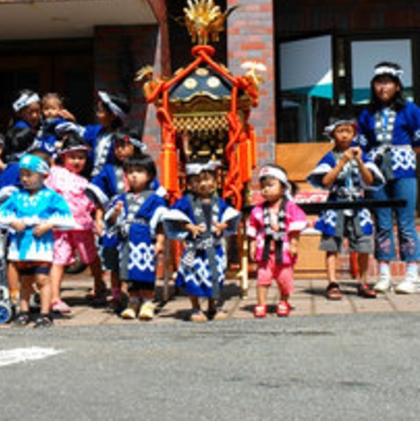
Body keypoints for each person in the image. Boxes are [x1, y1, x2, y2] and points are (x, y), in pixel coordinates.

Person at [358, 61, 420, 294]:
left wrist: (403, 157)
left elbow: (418, 141)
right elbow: (361, 144)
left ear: (397, 85)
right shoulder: (367, 113)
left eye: (388, 82)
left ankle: (412, 274)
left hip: (404, 170)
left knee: (405, 222)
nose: (383, 87)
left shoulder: (411, 110)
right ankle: (384, 273)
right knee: (382, 222)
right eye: (379, 82)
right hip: (375, 172)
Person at [307, 116, 385, 300]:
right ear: (333, 134)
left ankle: (363, 281)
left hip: (358, 202)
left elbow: (370, 180)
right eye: (340, 131)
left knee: (363, 243)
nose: (344, 135)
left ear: (354, 134)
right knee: (331, 244)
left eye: (348, 131)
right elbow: (325, 181)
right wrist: (341, 162)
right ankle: (333, 282)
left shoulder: (362, 154)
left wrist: (358, 161)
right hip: (336, 202)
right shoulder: (329, 156)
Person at [0, 152, 75, 327]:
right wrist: (12, 221)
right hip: (20, 246)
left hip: (41, 247)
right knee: (25, 281)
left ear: (44, 175)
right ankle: (24, 311)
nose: (24, 179)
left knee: (42, 279)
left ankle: (45, 313)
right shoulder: (16, 196)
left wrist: (49, 224)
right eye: (22, 174)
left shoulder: (52, 197)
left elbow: (68, 219)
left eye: (29, 174)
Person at [163, 162, 240, 322]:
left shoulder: (219, 201)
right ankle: (195, 308)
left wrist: (222, 225)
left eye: (207, 180)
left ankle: (213, 306)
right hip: (195, 249)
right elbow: (174, 215)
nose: (203, 184)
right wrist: (189, 226)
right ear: (190, 184)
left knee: (215, 277)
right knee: (193, 279)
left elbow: (229, 215)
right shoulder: (186, 201)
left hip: (214, 248)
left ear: (215, 181)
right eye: (197, 181)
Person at [87, 127, 148, 311]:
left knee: (135, 256)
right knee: (113, 259)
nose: (120, 150)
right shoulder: (108, 170)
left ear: (135, 147)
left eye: (124, 145)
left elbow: (155, 193)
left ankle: (137, 295)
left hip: (138, 220)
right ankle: (116, 295)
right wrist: (98, 220)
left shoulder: (145, 167)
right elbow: (100, 197)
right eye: (117, 146)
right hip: (113, 218)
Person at [44, 133, 103, 314]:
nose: (77, 161)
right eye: (72, 157)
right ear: (63, 157)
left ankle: (99, 286)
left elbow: (96, 203)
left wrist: (98, 221)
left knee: (90, 256)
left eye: (81, 157)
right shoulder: (53, 174)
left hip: (82, 225)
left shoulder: (85, 182)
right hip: (59, 226)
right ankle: (54, 298)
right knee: (59, 259)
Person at [105, 154, 167, 320]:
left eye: (139, 171)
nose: (133, 175)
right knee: (128, 272)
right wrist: (116, 213)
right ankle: (132, 301)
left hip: (144, 240)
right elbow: (110, 220)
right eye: (130, 172)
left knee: (145, 271)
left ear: (149, 175)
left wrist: (160, 242)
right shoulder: (120, 198)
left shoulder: (155, 199)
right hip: (126, 241)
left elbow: (161, 222)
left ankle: (147, 302)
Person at [247, 165, 307, 318]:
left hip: (284, 251)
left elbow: (296, 227)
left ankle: (283, 301)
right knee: (262, 278)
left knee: (285, 279)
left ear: (283, 188)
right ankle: (261, 303)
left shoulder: (291, 208)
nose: (266, 189)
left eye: (271, 185)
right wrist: (252, 246)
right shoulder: (257, 210)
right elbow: (252, 228)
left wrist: (294, 244)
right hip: (265, 251)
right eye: (263, 186)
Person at [58, 91, 130, 178]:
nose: (97, 114)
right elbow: (79, 132)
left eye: (100, 111)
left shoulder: (124, 138)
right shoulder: (96, 131)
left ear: (112, 116)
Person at [35, 92, 76, 156]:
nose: (49, 112)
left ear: (60, 109)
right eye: (46, 108)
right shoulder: (43, 122)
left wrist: (62, 143)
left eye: (53, 108)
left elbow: (68, 134)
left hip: (55, 150)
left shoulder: (60, 122)